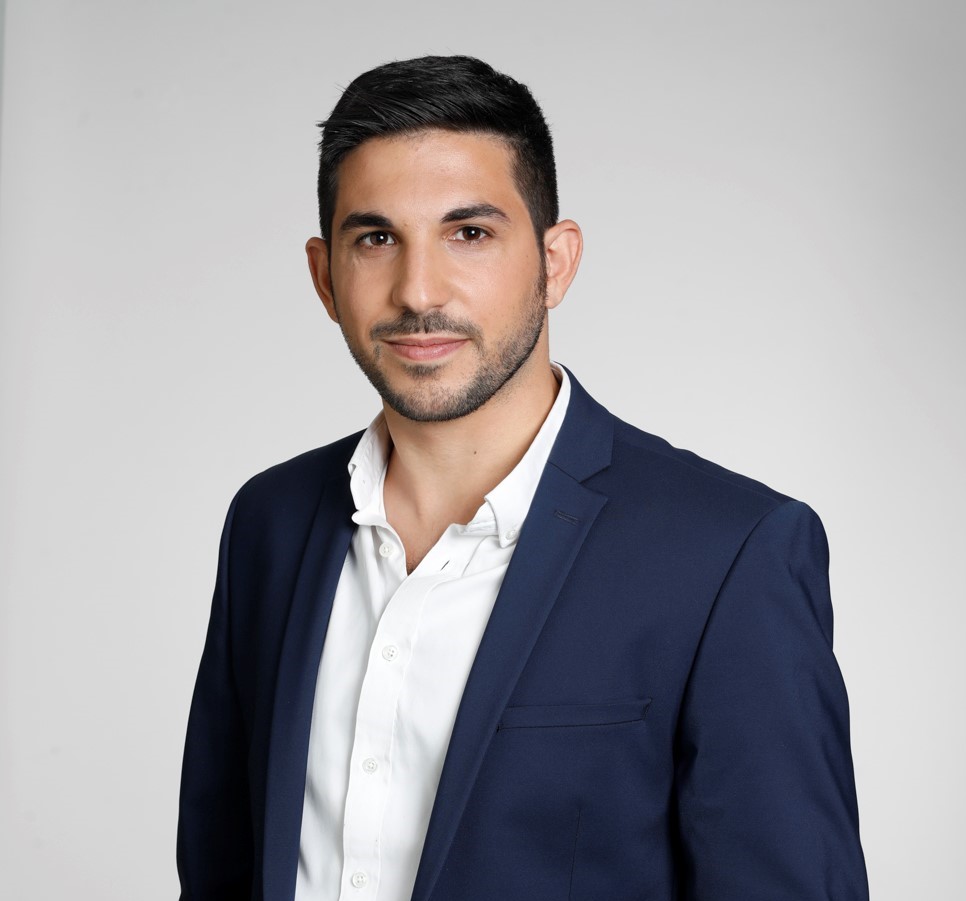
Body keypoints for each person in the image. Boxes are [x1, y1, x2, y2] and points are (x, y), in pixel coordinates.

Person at [177, 55, 868, 901]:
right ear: (325, 276)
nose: (417, 291)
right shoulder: (270, 523)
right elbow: (219, 870)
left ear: (556, 261)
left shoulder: (726, 554)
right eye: (376, 238)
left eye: (469, 233)